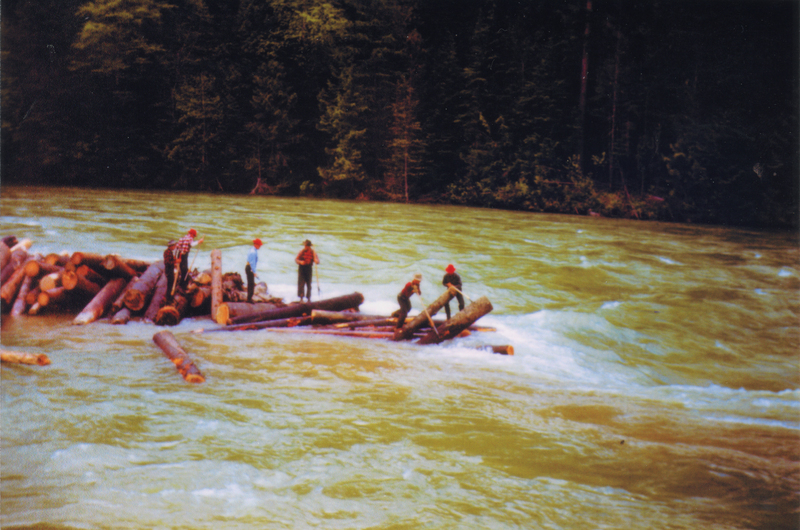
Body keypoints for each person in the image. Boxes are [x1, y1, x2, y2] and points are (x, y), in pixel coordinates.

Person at [246, 238, 262, 303]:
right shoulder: (253, 252)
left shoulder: (252, 250)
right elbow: (252, 263)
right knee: (251, 283)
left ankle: (249, 297)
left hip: (249, 267)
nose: (260, 247)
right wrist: (254, 272)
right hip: (250, 268)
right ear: (256, 244)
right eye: (259, 245)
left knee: (250, 283)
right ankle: (249, 299)